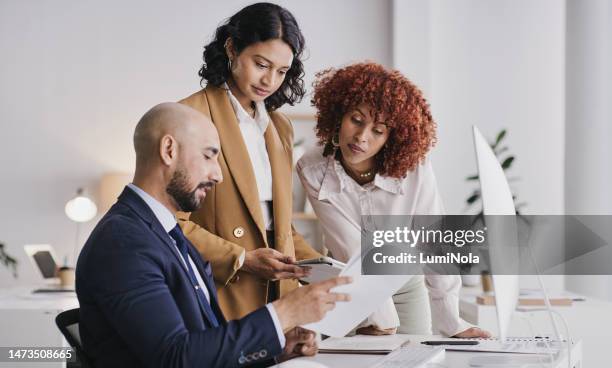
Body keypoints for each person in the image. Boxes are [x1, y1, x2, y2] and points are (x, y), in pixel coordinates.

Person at [76, 102, 351, 368]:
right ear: (169, 150)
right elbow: (174, 358)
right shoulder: (124, 243)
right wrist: (284, 314)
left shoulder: (165, 232)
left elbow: (204, 349)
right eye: (209, 155)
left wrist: (275, 352)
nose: (218, 175)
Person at [296, 62, 490, 338]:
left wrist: (451, 322)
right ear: (339, 114)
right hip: (347, 283)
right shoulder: (313, 168)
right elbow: (347, 245)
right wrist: (379, 316)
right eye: (357, 120)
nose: (361, 137)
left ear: (392, 137)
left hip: (406, 284)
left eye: (378, 130)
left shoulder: (415, 169)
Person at [177, 2, 321, 321]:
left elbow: (277, 225)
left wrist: (326, 271)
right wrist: (241, 258)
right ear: (231, 47)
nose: (269, 80)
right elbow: (170, 223)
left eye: (282, 71)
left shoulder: (279, 127)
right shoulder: (190, 117)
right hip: (220, 292)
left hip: (278, 294)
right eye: (261, 64)